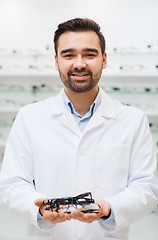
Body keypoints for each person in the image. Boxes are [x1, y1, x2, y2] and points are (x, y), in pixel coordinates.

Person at [0, 18, 158, 240]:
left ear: (104, 59)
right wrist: (38, 209)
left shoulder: (133, 120)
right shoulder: (29, 117)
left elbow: (146, 187)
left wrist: (109, 209)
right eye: (69, 54)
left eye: (89, 54)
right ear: (56, 61)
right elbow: (12, 184)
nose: (79, 63)